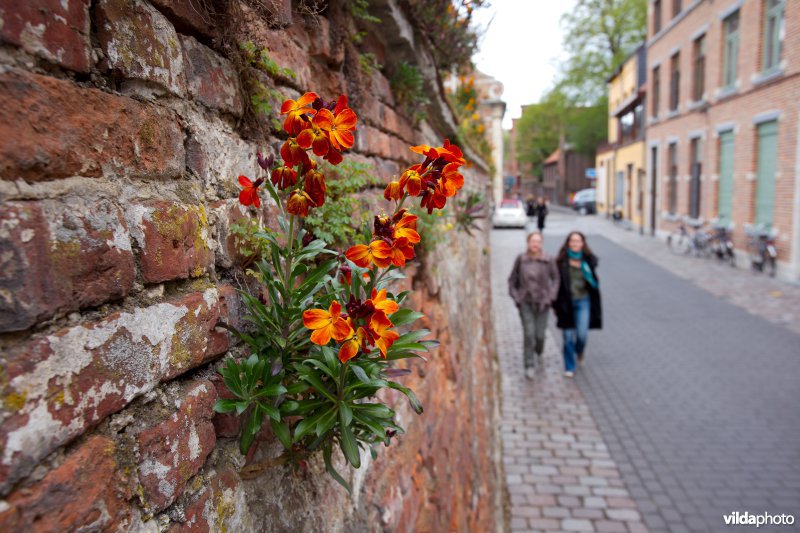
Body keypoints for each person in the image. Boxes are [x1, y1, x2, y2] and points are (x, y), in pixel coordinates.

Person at [508, 231, 560, 379]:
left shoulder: (548, 260)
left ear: (541, 243)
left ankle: (539, 351)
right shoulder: (521, 259)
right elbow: (512, 280)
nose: (535, 244)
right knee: (529, 334)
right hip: (526, 302)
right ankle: (529, 365)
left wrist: (550, 297)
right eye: (533, 241)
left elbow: (556, 279)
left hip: (543, 303)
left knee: (540, 335)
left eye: (538, 241)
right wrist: (517, 297)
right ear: (528, 243)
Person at [553, 231, 602, 377]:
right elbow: (555, 283)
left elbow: (594, 282)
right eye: (572, 241)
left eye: (578, 241)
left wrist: (592, 278)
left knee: (581, 334)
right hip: (566, 303)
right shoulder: (561, 262)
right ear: (568, 243)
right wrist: (555, 303)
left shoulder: (588, 261)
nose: (575, 243)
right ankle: (569, 366)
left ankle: (579, 351)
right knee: (568, 336)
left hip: (583, 301)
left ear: (582, 243)